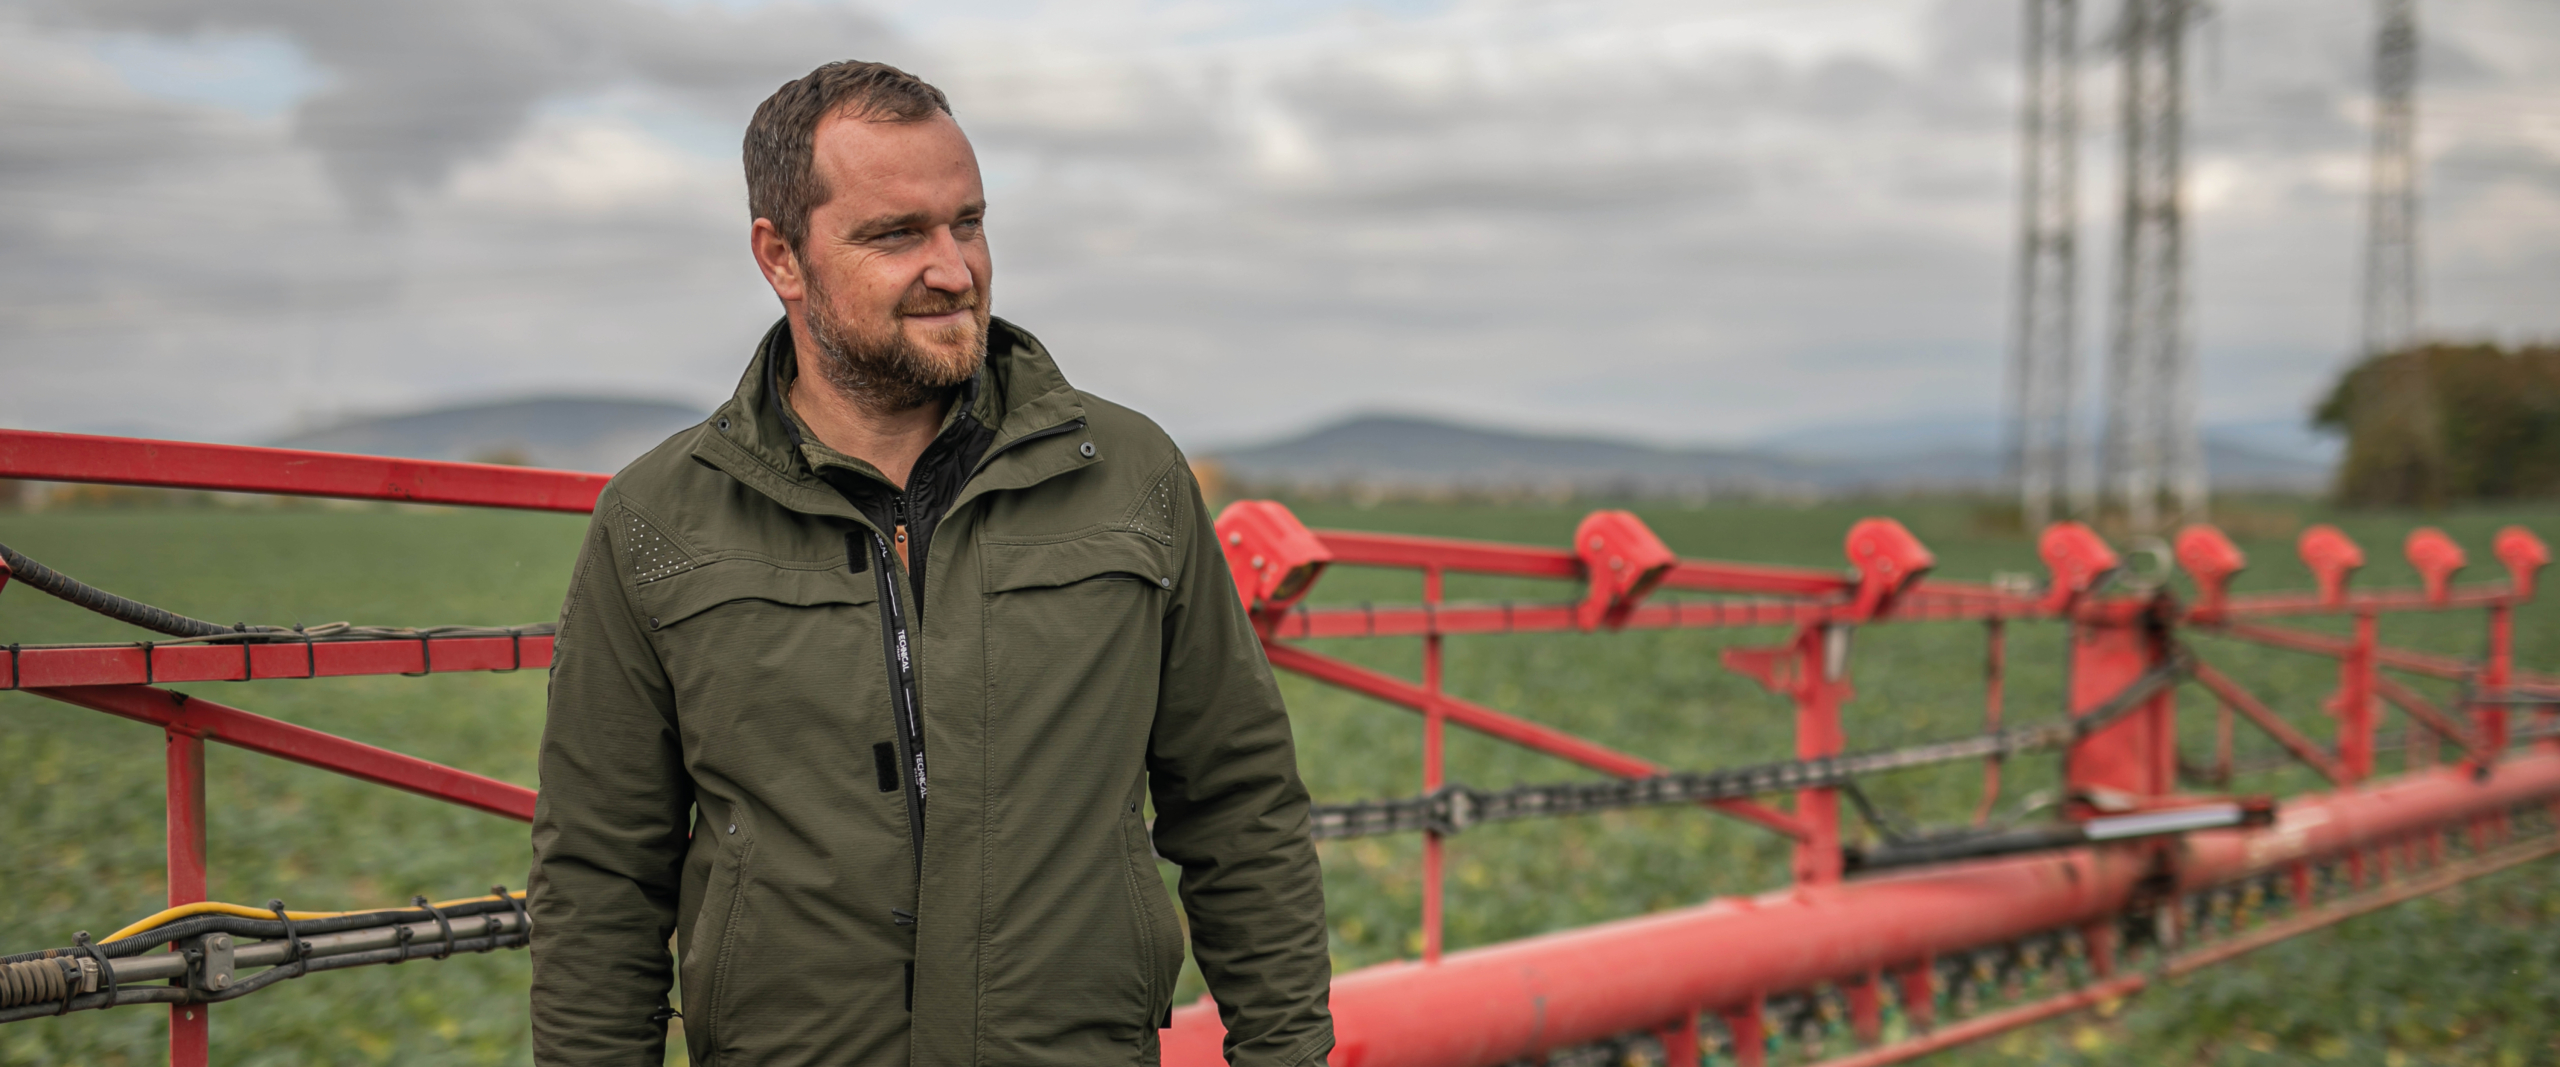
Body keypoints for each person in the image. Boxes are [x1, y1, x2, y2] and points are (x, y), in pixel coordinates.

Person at [527, 60, 1333, 1067]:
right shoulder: (656, 519)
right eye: (897, 234)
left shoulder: (1131, 477)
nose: (954, 270)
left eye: (968, 223)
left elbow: (1239, 804)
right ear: (781, 256)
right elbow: (602, 872)